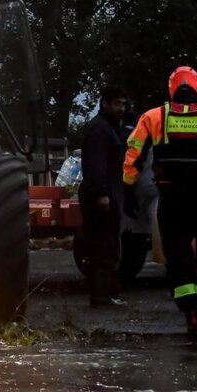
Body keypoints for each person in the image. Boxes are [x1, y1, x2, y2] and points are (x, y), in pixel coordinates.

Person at [123, 66, 197, 342]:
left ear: (171, 88)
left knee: (178, 258)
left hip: (172, 198)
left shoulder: (153, 117)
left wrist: (127, 188)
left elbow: (134, 155)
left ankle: (192, 319)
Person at [78, 83, 129, 307]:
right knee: (102, 245)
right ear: (104, 104)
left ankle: (107, 293)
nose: (121, 108)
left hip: (108, 194)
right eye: (117, 103)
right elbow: (96, 165)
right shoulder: (100, 129)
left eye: (124, 104)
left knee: (107, 243)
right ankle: (101, 296)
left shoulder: (109, 127)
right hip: (101, 198)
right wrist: (102, 194)